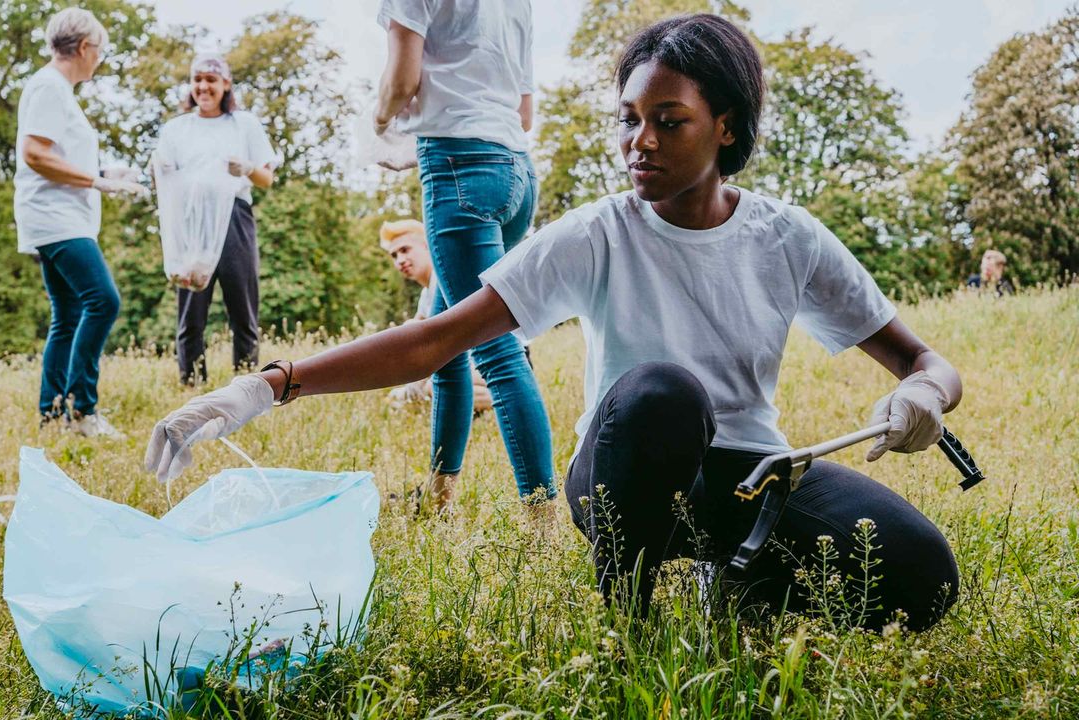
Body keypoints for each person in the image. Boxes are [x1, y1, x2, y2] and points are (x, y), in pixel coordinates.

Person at [147, 14, 965, 632]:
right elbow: (438, 338)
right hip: (623, 473)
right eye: (627, 118)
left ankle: (740, 582)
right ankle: (633, 614)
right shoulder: (599, 231)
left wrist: (924, 392)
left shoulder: (787, 237)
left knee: (926, 579)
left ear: (727, 127)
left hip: (749, 477)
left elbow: (929, 363)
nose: (636, 142)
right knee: (659, 394)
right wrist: (267, 386)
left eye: (667, 120)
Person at [369, 0, 554, 507]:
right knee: (446, 345)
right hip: (516, 171)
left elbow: (401, 81)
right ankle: (438, 494)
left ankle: (543, 524)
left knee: (495, 350)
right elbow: (525, 112)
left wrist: (379, 120)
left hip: (458, 166)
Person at [14, 7, 148, 438]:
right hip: (57, 221)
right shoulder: (51, 87)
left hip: (59, 218)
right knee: (103, 301)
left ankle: (52, 413)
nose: (101, 59)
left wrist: (108, 175)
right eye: (101, 50)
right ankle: (81, 410)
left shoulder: (55, 89)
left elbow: (58, 154)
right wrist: (96, 182)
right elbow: (35, 154)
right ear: (86, 47)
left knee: (68, 314)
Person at [152, 54, 279, 384]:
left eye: (211, 79)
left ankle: (248, 386)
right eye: (197, 79)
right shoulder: (177, 129)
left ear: (225, 84)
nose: (203, 86)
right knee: (191, 312)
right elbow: (162, 179)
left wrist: (249, 169)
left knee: (243, 308)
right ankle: (192, 386)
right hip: (192, 223)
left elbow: (267, 178)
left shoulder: (244, 124)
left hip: (234, 217)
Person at [379, 219, 492, 413]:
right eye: (394, 255)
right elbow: (415, 337)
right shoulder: (427, 293)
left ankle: (508, 398)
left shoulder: (446, 280)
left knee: (435, 386)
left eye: (405, 250)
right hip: (469, 363)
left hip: (496, 360)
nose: (400, 260)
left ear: (426, 247)